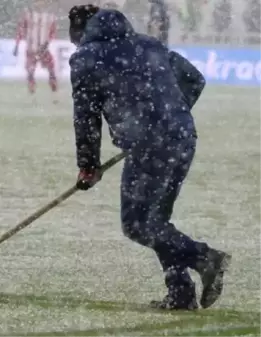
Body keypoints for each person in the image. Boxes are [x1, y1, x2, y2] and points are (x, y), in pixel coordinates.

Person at [67, 5, 231, 310]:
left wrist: (88, 165)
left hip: (149, 145)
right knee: (158, 222)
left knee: (138, 224)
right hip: (182, 137)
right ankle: (181, 293)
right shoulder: (148, 44)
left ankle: (205, 258)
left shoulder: (86, 59)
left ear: (80, 34)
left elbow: (86, 116)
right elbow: (194, 80)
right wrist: (171, 115)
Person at [13, 0, 58, 96]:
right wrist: (17, 44)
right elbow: (21, 29)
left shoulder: (50, 15)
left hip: (43, 47)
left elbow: (53, 31)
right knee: (30, 68)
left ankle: (52, 81)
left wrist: (48, 42)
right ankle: (31, 84)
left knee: (51, 66)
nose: (39, 3)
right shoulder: (27, 14)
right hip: (31, 47)